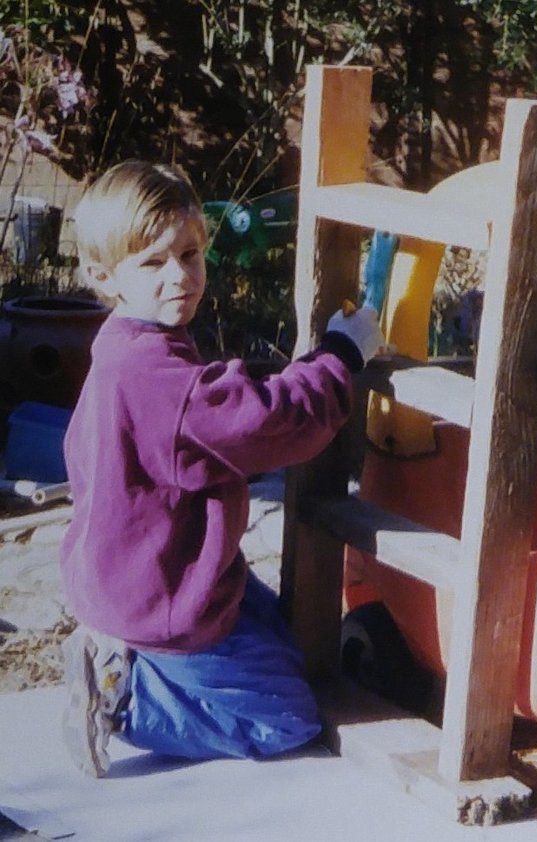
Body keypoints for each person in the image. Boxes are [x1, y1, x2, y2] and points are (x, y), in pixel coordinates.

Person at [59, 159, 385, 777]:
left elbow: (212, 406)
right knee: (288, 716)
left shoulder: (122, 344)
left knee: (286, 645)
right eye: (153, 263)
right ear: (105, 276)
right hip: (159, 601)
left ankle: (126, 659)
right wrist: (342, 354)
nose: (179, 276)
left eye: (189, 254)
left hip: (139, 574)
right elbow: (264, 423)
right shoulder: (157, 376)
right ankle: (123, 695)